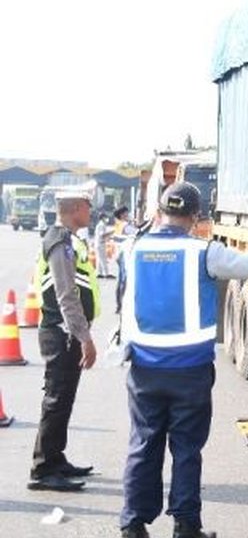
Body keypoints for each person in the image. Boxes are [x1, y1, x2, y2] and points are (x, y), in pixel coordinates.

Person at [118, 183, 248, 538]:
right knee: (187, 450)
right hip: (190, 371)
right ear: (196, 217)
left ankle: (133, 524)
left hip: (144, 368)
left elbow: (124, 297)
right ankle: (186, 526)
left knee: (143, 444)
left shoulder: (131, 248)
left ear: (160, 212)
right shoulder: (205, 252)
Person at [28, 189, 99, 492]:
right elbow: (66, 294)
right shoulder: (60, 242)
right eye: (88, 207)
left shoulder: (68, 240)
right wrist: (84, 337)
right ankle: (43, 469)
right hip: (62, 332)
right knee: (56, 400)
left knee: (64, 399)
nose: (91, 212)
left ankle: (56, 459)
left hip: (65, 331)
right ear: (76, 209)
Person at [95, 211, 114, 279]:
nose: (106, 218)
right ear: (102, 218)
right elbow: (102, 235)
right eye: (105, 217)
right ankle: (106, 274)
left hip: (100, 243)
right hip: (100, 243)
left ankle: (99, 273)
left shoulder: (101, 224)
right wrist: (111, 232)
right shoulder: (101, 225)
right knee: (103, 259)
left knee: (99, 259)